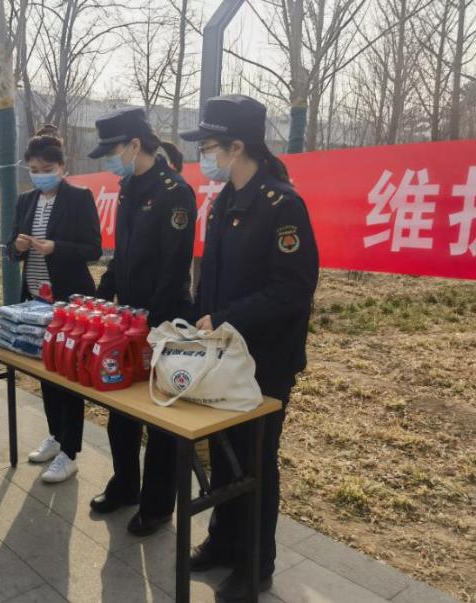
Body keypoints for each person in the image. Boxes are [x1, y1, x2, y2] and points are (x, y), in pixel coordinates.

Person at [180, 95, 319, 600]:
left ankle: (257, 562)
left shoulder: (282, 205)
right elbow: (211, 278)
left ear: (237, 146)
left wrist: (225, 317)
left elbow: (293, 289)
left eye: (210, 147)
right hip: (223, 355)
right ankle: (223, 542)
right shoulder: (223, 203)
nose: (205, 157)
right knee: (223, 452)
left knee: (256, 461)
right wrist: (200, 322)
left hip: (265, 361)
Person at [87, 108, 197, 536]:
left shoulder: (174, 192)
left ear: (134, 145)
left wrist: (148, 324)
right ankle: (125, 484)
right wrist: (103, 293)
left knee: (160, 416)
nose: (111, 162)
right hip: (128, 319)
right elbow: (122, 253)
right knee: (121, 409)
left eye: (113, 151)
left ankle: (157, 503)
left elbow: (174, 268)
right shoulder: (129, 186)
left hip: (163, 321)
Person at [7, 125, 102, 483]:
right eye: (35, 169)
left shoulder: (79, 198)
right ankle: (55, 435)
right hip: (34, 301)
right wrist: (16, 247)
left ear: (63, 168)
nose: (41, 176)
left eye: (48, 169)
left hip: (68, 302)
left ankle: (70, 452)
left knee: (69, 374)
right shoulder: (25, 201)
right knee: (47, 372)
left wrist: (55, 247)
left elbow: (93, 248)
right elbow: (9, 248)